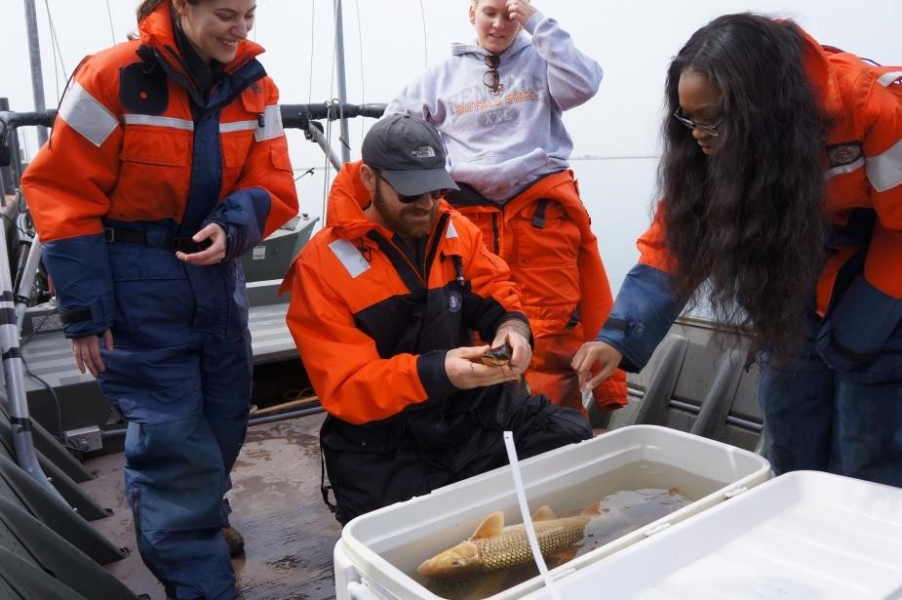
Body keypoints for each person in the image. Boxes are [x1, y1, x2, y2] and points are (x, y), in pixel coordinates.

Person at [21, 0, 299, 597]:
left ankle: (205, 516)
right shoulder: (110, 77)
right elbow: (61, 192)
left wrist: (234, 224)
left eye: (250, 15)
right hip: (135, 286)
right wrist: (85, 316)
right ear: (182, 6)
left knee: (224, 421)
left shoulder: (256, 88)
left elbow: (272, 182)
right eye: (227, 14)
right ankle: (200, 582)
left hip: (217, 286)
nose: (241, 29)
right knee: (172, 442)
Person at [572, 13, 902, 488]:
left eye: (713, 120)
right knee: (790, 433)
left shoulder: (873, 104)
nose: (698, 135)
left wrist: (867, 317)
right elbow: (676, 243)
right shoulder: (704, 147)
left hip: (882, 268)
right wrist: (618, 338)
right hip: (793, 280)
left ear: (764, 108)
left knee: (869, 450)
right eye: (688, 119)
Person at [281, 114, 592, 525]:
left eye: (435, 190)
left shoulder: (456, 228)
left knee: (569, 435)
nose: (427, 205)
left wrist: (513, 328)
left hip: (470, 414)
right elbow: (347, 387)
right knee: (403, 532)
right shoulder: (320, 266)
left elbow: (497, 289)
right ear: (371, 179)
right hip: (385, 439)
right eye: (411, 194)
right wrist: (439, 371)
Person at [384, 0, 627, 422]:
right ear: (471, 12)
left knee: (551, 335)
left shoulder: (543, 59)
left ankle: (556, 441)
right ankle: (487, 447)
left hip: (541, 217)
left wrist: (538, 23)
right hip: (468, 220)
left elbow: (586, 82)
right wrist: (432, 171)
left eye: (510, 14)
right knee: (479, 337)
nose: (499, 24)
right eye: (489, 12)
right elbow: (393, 128)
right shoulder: (440, 76)